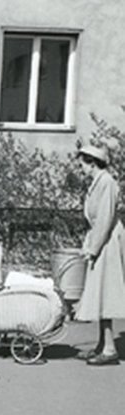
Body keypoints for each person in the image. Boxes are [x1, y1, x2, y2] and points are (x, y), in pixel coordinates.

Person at [75, 145, 125, 366]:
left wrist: (92, 249)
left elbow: (104, 219)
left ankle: (109, 348)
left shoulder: (107, 182)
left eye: (82, 164)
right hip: (102, 239)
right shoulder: (98, 183)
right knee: (100, 293)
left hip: (108, 242)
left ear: (91, 162)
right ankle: (102, 344)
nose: (81, 168)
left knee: (105, 293)